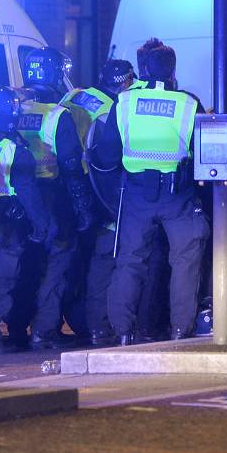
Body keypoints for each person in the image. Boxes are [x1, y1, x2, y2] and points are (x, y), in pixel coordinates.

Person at [92, 38, 210, 343]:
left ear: (144, 70)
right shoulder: (188, 103)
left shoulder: (126, 101)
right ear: (172, 71)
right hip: (177, 195)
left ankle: (121, 332)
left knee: (129, 260)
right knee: (184, 260)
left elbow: (106, 155)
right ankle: (180, 330)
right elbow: (204, 154)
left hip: (136, 194)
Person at [12, 48, 94, 349]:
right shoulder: (58, 115)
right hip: (52, 197)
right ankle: (44, 330)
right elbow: (72, 167)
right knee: (56, 265)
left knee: (27, 266)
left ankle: (18, 328)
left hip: (17, 199)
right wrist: (83, 209)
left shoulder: (14, 107)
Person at [60, 59, 137, 345]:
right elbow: (107, 160)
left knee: (74, 263)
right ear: (125, 80)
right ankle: (98, 326)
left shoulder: (74, 94)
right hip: (93, 190)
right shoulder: (111, 109)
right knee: (103, 261)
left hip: (65, 188)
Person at [0, 88, 53, 354]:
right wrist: (42, 227)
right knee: (2, 281)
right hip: (8, 224)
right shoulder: (17, 153)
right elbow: (30, 196)